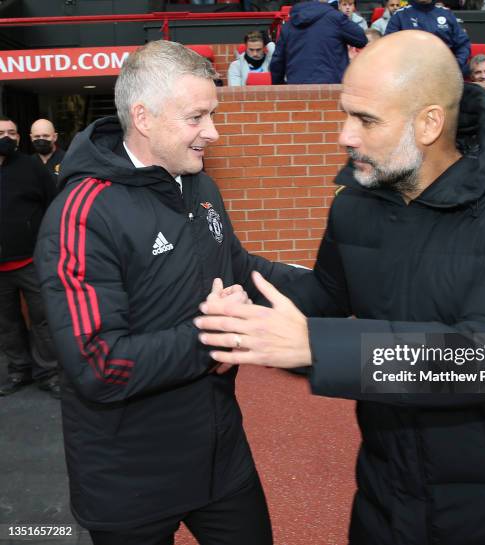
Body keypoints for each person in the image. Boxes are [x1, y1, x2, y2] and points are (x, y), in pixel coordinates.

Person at [194, 31, 485, 545]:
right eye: (345, 114)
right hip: (389, 493)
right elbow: (324, 297)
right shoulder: (356, 206)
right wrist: (235, 279)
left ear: (429, 123)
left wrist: (317, 346)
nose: (345, 136)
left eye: (366, 120)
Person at [34, 40, 302, 545]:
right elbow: (99, 364)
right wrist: (214, 337)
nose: (213, 132)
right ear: (144, 116)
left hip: (220, 459)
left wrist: (342, 287)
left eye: (212, 114)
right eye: (196, 116)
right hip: (128, 481)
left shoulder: (199, 185)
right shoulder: (82, 213)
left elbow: (241, 272)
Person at [0, 116, 60, 399]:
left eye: (12, 133)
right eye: (1, 133)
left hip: (31, 261)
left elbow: (53, 205)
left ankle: (48, 373)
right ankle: (18, 370)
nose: (7, 138)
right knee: (6, 322)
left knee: (43, 318)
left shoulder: (31, 167)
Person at [269, 0, 367, 84]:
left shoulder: (288, 26)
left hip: (298, 89)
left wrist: (279, 87)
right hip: (331, 89)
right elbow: (361, 39)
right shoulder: (336, 18)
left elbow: (277, 62)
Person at [385, 0, 472, 75]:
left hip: (445, 72)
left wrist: (456, 64)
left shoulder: (446, 14)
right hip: (410, 74)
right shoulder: (400, 16)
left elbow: (463, 44)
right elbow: (389, 48)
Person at [30, 118, 65, 183]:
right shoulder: (28, 163)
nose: (41, 140)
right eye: (37, 136)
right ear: (31, 138)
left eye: (46, 136)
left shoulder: (67, 160)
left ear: (55, 137)